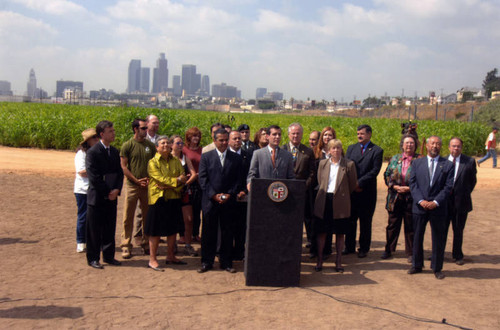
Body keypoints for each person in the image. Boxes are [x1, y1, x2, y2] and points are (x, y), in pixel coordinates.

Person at [408, 136, 454, 280]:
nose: (435, 146)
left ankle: (437, 267)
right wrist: (421, 200)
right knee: (417, 236)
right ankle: (416, 264)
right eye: (432, 143)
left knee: (438, 238)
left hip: (438, 208)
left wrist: (435, 202)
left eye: (438, 144)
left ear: (441, 147)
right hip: (420, 207)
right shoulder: (417, 163)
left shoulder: (448, 164)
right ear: (427, 145)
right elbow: (413, 184)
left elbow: (448, 187)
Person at [198, 128, 243, 273]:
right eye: (221, 140)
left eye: (225, 140)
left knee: (227, 232)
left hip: (228, 202)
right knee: (208, 232)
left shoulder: (235, 158)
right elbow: (203, 179)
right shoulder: (206, 156)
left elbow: (238, 180)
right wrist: (213, 195)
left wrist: (229, 194)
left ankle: (226, 261)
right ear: (214, 140)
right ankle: (207, 261)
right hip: (210, 202)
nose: (224, 143)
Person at [145, 136, 188, 271]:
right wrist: (176, 181)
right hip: (158, 199)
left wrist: (171, 185)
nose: (165, 145)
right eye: (162, 143)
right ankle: (153, 259)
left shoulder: (176, 161)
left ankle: (170, 256)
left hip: (174, 197)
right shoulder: (153, 162)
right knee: (155, 231)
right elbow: (159, 179)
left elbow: (184, 178)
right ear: (156, 147)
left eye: (167, 143)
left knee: (172, 229)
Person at [313, 139, 357, 272]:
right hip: (324, 200)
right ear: (329, 150)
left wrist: (341, 194)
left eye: (338, 148)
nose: (336, 150)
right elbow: (320, 181)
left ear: (341, 149)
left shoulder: (349, 164)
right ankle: (320, 260)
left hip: (341, 202)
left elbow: (352, 184)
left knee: (339, 233)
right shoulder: (322, 164)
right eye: (333, 148)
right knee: (322, 232)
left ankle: (338, 261)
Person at [85, 120, 123, 269]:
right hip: (97, 197)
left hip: (112, 197)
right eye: (110, 131)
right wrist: (108, 191)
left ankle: (108, 256)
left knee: (109, 228)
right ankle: (93, 258)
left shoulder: (114, 151)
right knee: (94, 230)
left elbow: (119, 174)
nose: (113, 133)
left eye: (113, 131)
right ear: (102, 134)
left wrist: (117, 190)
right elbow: (94, 177)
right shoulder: (93, 152)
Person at [345, 124, 383, 258]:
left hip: (367, 192)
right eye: (358, 134)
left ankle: (363, 248)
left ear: (369, 134)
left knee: (365, 222)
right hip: (352, 192)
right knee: (350, 220)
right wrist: (352, 184)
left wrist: (359, 183)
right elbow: (346, 167)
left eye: (362, 133)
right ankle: (349, 246)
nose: (359, 136)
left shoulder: (377, 150)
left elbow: (375, 170)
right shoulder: (351, 149)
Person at [119, 118, 156, 259]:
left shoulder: (150, 146)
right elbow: (124, 167)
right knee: (128, 216)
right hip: (132, 186)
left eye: (146, 128)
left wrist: (148, 180)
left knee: (147, 216)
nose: (146, 131)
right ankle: (126, 245)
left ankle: (146, 244)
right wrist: (136, 180)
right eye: (143, 128)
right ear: (135, 129)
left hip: (147, 186)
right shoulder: (127, 145)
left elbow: (155, 165)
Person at [381, 134, 421, 262]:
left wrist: (410, 188)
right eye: (407, 143)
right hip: (395, 197)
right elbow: (387, 174)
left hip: (412, 197)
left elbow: (423, 179)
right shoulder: (395, 158)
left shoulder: (420, 160)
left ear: (415, 145)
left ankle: (410, 252)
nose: (409, 145)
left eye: (411, 143)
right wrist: (394, 186)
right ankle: (389, 249)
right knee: (392, 225)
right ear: (402, 145)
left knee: (410, 226)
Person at [282, 123, 315, 246]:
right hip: (286, 192)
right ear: (289, 134)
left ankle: (311, 243)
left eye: (298, 133)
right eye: (293, 133)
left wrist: (303, 187)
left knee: (306, 217)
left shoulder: (308, 151)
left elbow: (312, 173)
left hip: (303, 192)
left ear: (302, 135)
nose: (295, 136)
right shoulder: (282, 149)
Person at [446, 137, 477, 265]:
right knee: (441, 230)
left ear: (461, 148)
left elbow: (472, 181)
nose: (456, 148)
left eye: (458, 146)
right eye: (453, 146)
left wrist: (462, 193)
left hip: (461, 202)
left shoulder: (469, 161)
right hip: (444, 203)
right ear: (449, 147)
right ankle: (438, 253)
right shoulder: (443, 161)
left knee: (458, 230)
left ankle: (457, 255)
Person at [310, 126, 336, 257]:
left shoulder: (337, 152)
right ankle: (314, 249)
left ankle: (327, 250)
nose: (327, 137)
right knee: (316, 221)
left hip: (331, 192)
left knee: (329, 221)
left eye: (330, 135)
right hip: (317, 191)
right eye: (325, 135)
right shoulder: (315, 151)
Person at [170, 134, 198, 256]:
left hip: (185, 191)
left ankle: (187, 244)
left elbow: (193, 174)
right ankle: (172, 245)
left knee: (189, 219)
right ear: (171, 145)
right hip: (171, 192)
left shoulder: (184, 157)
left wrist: (185, 183)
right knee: (172, 219)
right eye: (178, 143)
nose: (180, 145)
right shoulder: (167, 158)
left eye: (181, 143)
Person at [73, 128, 99, 253]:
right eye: (94, 138)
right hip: (83, 190)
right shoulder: (81, 154)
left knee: (94, 217)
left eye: (97, 137)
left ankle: (92, 241)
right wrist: (97, 171)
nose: (97, 139)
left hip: (94, 188)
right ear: (87, 141)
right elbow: (81, 172)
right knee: (83, 216)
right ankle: (81, 241)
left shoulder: (97, 151)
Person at [247, 125, 295, 191]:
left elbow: (291, 177)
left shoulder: (287, 155)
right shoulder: (258, 154)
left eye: (279, 134)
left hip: (281, 195)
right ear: (267, 136)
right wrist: (250, 183)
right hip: (262, 193)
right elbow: (252, 174)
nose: (277, 137)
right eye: (274, 134)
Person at [228, 130, 252, 260]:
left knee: (241, 226)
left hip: (243, 196)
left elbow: (249, 175)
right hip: (228, 196)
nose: (237, 141)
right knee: (227, 226)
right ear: (229, 141)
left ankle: (239, 252)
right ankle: (226, 252)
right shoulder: (224, 155)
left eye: (239, 139)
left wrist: (244, 191)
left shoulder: (247, 155)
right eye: (235, 139)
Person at [183, 127, 203, 242]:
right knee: (186, 211)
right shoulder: (184, 150)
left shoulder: (202, 150)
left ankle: (195, 233)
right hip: (188, 183)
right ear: (188, 137)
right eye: (193, 136)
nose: (196, 138)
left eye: (198, 136)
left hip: (199, 183)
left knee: (197, 210)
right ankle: (185, 235)